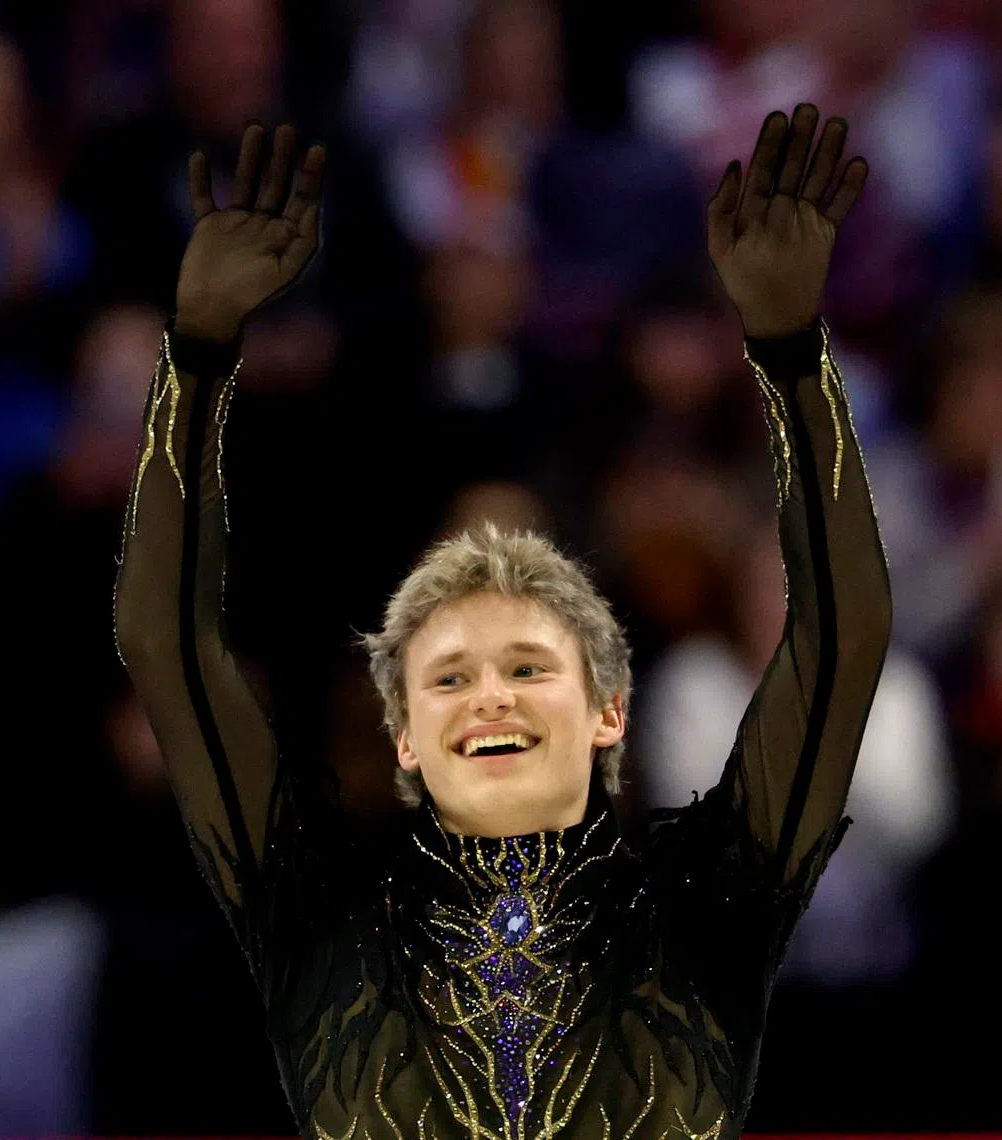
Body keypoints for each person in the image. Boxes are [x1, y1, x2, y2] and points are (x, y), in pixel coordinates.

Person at [114, 106, 892, 1138]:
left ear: (610, 709)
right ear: (401, 733)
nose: (487, 692)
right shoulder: (317, 911)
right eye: (448, 674)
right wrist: (200, 355)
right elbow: (165, 646)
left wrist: (791, 353)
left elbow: (838, 649)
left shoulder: (701, 909)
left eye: (526, 665)